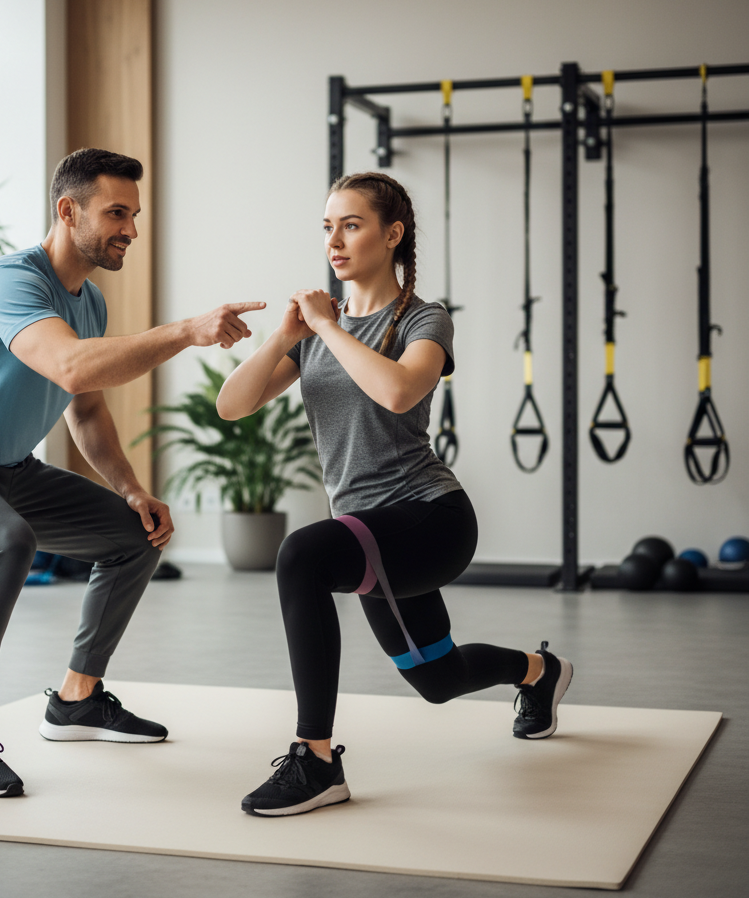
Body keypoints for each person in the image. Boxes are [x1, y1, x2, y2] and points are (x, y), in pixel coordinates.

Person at [0, 148, 263, 798]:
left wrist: (132, 491)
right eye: (116, 213)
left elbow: (85, 409)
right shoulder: (11, 281)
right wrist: (186, 331)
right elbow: (71, 366)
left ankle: (77, 699)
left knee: (135, 534)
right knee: (4, 543)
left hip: (7, 470)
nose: (130, 230)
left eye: (134, 215)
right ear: (68, 210)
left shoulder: (90, 303)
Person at [216, 171, 573, 817]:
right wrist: (286, 337)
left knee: (301, 555)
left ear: (392, 234)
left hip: (429, 521)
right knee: (437, 679)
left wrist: (327, 328)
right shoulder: (318, 332)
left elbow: (400, 391)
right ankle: (538, 672)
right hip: (368, 535)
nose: (334, 241)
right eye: (328, 227)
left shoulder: (423, 319)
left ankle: (316, 761)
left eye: (351, 225)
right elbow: (232, 405)